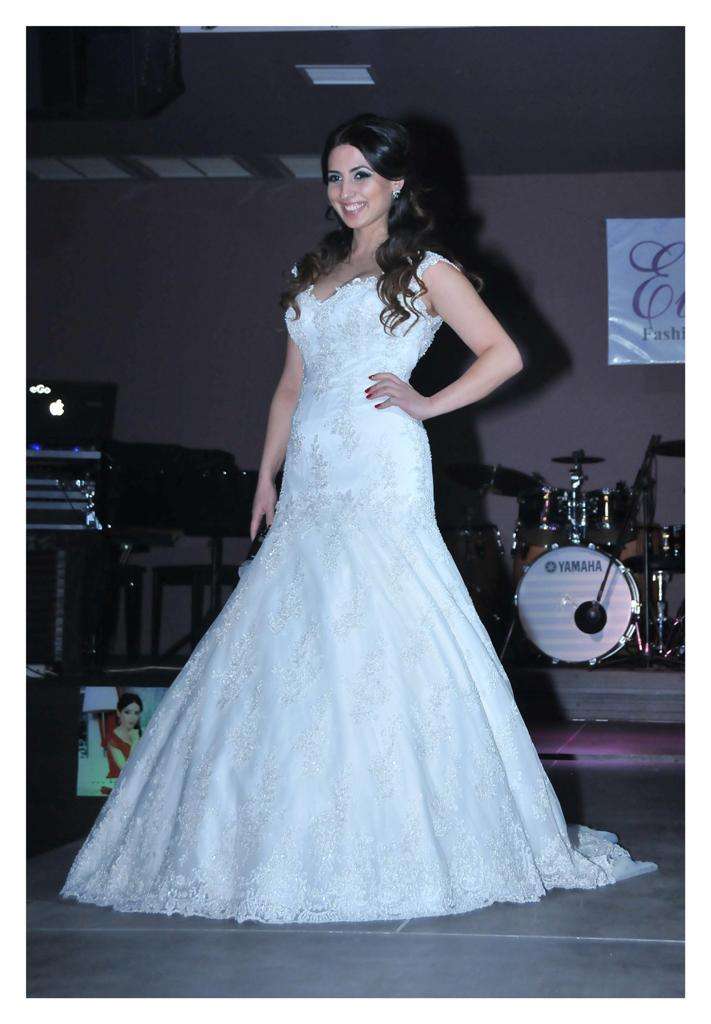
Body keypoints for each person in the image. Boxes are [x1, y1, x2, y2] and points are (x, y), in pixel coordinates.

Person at [60, 113, 657, 923]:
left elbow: (505, 355)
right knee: (290, 626)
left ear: (395, 183)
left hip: (379, 464)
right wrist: (266, 476)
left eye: (361, 176)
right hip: (310, 470)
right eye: (335, 177)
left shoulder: (426, 268)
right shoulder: (313, 270)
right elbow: (288, 387)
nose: (346, 192)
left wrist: (427, 403)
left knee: (381, 620)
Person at [100, 693, 143, 795]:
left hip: (137, 784)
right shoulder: (112, 739)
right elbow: (127, 770)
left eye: (136, 713)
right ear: (119, 713)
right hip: (117, 785)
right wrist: (135, 741)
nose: (132, 717)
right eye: (127, 712)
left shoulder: (140, 734)